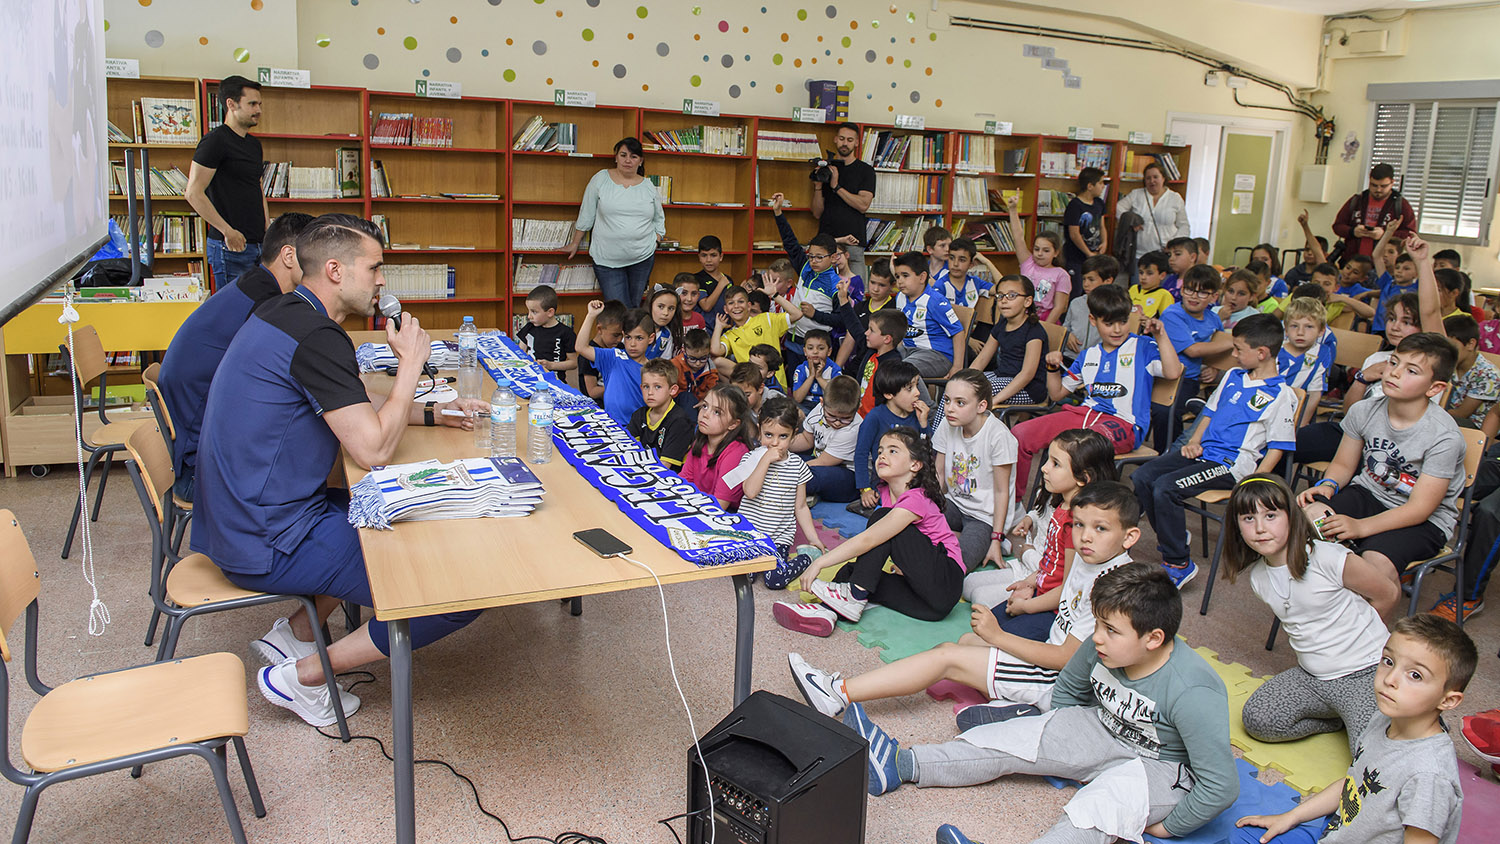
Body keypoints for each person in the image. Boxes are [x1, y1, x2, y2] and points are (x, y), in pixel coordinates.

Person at [193, 214, 486, 727]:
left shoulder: (287, 314)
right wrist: (412, 367)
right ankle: (303, 677)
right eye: (373, 268)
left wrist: (434, 412)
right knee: (458, 586)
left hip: (240, 516)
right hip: (266, 536)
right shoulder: (317, 336)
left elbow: (351, 398)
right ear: (334, 270)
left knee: (386, 516)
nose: (381, 281)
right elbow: (373, 448)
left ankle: (298, 631)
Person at [849, 563, 1239, 844]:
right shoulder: (1101, 647)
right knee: (1015, 738)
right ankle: (900, 765)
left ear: (1153, 639)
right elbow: (1069, 685)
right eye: (1098, 625)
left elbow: (1219, 786)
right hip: (1104, 727)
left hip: (1163, 764)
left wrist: (1171, 827)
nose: (1096, 638)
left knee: (1101, 804)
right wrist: (1055, 732)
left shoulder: (1194, 691)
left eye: (1111, 631)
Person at [789, 480, 1140, 715]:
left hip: (1063, 684)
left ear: (1130, 537)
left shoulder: (1112, 587)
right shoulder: (1091, 559)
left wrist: (998, 637)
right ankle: (1007, 701)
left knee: (948, 656)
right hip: (1055, 656)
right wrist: (1031, 585)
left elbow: (1066, 659)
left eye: (1100, 529)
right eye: (1078, 525)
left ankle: (838, 692)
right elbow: (1066, 597)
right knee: (966, 638)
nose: (1085, 537)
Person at [1233, 614, 1472, 844]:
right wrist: (1290, 817)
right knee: (1244, 834)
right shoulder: (1384, 718)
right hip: (1336, 831)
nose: (1390, 679)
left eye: (1415, 675)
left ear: (1448, 701)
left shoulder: (1428, 777)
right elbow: (1354, 783)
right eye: (1388, 662)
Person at [1220, 474, 1396, 754]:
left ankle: (1368, 718)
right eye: (1248, 519)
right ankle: (1336, 722)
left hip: (1364, 673)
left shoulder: (1328, 557)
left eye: (1271, 515)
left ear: (1291, 516)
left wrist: (1362, 643)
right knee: (1258, 720)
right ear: (1237, 526)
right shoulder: (1258, 578)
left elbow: (1387, 593)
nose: (1260, 528)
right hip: (1313, 677)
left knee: (1371, 757)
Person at [1134, 314, 1298, 588]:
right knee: (1142, 476)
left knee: (1165, 487)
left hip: (1230, 465)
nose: (1233, 355)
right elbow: (1209, 412)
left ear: (1262, 353)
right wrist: (1194, 440)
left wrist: (1252, 483)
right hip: (1203, 453)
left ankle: (1178, 562)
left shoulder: (1281, 395)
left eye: (1239, 350)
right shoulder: (1233, 376)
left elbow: (1278, 448)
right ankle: (1171, 532)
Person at [159, 211, 312, 503]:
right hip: (200, 474)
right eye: (316, 252)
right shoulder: (267, 307)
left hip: (191, 451)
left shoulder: (254, 285)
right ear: (289, 256)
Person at [1298, 332, 1466, 589]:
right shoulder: (1363, 410)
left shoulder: (1444, 437)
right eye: (1394, 362)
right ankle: (1315, 605)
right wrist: (1328, 485)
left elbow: (1420, 509)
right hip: (1369, 494)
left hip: (1423, 520)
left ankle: (1362, 624)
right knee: (1307, 519)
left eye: (1411, 370)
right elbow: (1343, 465)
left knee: (1374, 566)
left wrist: (1360, 528)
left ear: (1435, 388)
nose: (1395, 373)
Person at [776, 428, 965, 629]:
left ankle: (855, 595)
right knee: (851, 572)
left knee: (881, 521)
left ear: (915, 464)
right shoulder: (885, 496)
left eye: (893, 451)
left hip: (945, 584)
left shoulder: (917, 498)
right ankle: (825, 613)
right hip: (925, 604)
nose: (882, 455)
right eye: (881, 450)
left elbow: (869, 540)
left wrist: (819, 563)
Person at [1011, 284, 1184, 501]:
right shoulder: (1088, 355)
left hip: (1124, 423)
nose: (1118, 329)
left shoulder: (1143, 347)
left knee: (1081, 448)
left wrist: (1161, 335)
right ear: (1094, 320)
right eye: (1109, 323)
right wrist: (1052, 368)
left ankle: (1070, 507)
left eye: (1122, 322)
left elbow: (1173, 371)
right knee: (1021, 433)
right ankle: (1016, 503)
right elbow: (1056, 394)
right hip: (1084, 415)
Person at [969, 430, 1119, 643]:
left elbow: (1068, 589)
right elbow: (1052, 564)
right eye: (1048, 460)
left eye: (1056, 464)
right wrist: (1029, 582)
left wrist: (1027, 606)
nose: (1043, 468)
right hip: (1041, 591)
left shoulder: (1077, 523)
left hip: (1054, 612)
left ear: (1083, 478)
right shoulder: (1061, 505)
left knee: (982, 641)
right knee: (981, 628)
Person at [187, 75, 270, 287]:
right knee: (234, 314)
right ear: (231, 104)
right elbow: (193, 193)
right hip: (231, 247)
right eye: (252, 104)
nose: (258, 109)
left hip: (258, 244)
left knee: (258, 311)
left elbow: (257, 187)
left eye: (259, 104)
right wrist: (227, 231)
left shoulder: (254, 145)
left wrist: (267, 228)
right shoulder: (215, 141)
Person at [730, 398, 824, 582]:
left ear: (793, 435)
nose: (774, 443)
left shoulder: (797, 465)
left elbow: (802, 507)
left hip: (779, 537)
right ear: (759, 431)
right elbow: (750, 492)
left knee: (774, 579)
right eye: (769, 435)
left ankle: (807, 558)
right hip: (750, 534)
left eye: (783, 437)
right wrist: (765, 460)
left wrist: (814, 539)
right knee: (744, 576)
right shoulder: (751, 458)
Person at [932, 371, 1018, 570]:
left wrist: (996, 539)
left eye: (960, 403)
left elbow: (1001, 492)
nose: (949, 409)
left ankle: (969, 540)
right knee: (910, 525)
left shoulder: (998, 436)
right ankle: (951, 536)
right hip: (954, 503)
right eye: (947, 400)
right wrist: (929, 511)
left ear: (981, 406)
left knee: (955, 566)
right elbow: (939, 473)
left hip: (983, 518)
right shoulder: (948, 424)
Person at [565, 137, 665, 306]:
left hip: (642, 257)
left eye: (633, 156)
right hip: (607, 260)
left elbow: (658, 218)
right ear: (616, 157)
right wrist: (575, 243)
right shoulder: (601, 179)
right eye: (623, 155)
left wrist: (656, 240)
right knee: (619, 311)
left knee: (634, 309)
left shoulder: (648, 185)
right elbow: (586, 214)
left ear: (640, 161)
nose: (628, 160)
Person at [1154, 264, 1230, 451]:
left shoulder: (1214, 319)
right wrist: (1233, 341)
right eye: (1189, 290)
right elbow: (1192, 350)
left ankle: (1181, 449)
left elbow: (1218, 351)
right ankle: (1167, 452)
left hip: (1190, 379)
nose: (1194, 296)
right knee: (1166, 410)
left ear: (1214, 296)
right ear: (1182, 289)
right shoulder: (1172, 314)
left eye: (1203, 293)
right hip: (1166, 376)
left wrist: (1215, 367)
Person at [854, 361, 930, 510]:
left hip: (913, 479)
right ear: (889, 394)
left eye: (917, 386)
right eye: (910, 388)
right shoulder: (875, 417)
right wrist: (865, 489)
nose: (917, 393)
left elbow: (925, 451)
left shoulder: (917, 416)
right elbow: (861, 454)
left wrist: (924, 425)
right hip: (884, 482)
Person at [966, 275, 1048, 408]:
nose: (1003, 301)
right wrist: (965, 378)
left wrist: (996, 399)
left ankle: (968, 429)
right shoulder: (1002, 323)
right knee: (958, 385)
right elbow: (982, 359)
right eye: (1000, 296)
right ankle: (937, 429)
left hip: (1029, 389)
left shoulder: (1034, 332)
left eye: (1011, 296)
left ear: (1027, 301)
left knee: (975, 391)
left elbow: (1027, 374)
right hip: (1002, 377)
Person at [811, 121, 876, 281]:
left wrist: (836, 186)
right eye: (841, 138)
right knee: (823, 294)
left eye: (849, 139)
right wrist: (818, 187)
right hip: (827, 244)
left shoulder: (865, 171)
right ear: (835, 139)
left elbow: (863, 205)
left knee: (855, 294)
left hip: (853, 244)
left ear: (856, 143)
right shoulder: (826, 169)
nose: (845, 143)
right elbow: (817, 213)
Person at [574, 302, 653, 428]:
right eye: (628, 337)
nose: (632, 344)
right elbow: (580, 347)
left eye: (639, 338)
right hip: (610, 425)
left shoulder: (652, 369)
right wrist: (591, 315)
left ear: (651, 338)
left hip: (637, 429)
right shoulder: (613, 356)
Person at [891, 251, 967, 380]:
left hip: (937, 355)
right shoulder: (900, 297)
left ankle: (926, 401)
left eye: (905, 275)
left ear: (922, 277)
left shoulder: (935, 301)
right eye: (897, 277)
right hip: (909, 350)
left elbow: (958, 332)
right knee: (879, 361)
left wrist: (957, 367)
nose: (900, 281)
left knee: (904, 372)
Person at [679, 383, 756, 509]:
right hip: (698, 505)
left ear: (733, 424)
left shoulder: (736, 453)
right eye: (704, 406)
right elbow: (683, 482)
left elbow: (720, 505)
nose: (705, 414)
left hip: (725, 515)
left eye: (716, 412)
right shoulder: (700, 441)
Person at [793, 374, 863, 505]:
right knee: (787, 459)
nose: (837, 423)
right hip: (820, 463)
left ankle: (798, 493)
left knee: (807, 474)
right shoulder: (820, 409)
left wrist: (788, 471)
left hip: (848, 477)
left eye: (845, 418)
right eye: (831, 416)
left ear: (858, 407)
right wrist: (781, 445)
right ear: (821, 402)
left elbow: (823, 462)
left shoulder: (854, 429)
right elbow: (806, 440)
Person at [710, 286, 805, 375]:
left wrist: (775, 295)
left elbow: (797, 314)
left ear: (749, 305)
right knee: (715, 361)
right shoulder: (729, 335)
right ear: (726, 309)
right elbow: (715, 351)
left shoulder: (766, 319)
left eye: (741, 301)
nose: (736, 306)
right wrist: (718, 326)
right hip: (750, 383)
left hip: (775, 383)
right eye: (731, 303)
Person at [1331, 162, 1416, 259]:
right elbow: (1337, 226)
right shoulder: (1357, 200)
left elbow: (1410, 234)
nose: (1378, 190)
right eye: (1374, 185)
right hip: (1353, 258)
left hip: (1382, 262)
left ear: (1392, 182)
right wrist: (1352, 231)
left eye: (1383, 186)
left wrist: (1385, 234)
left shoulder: (1401, 205)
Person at [1005, 201, 1071, 324]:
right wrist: (1013, 210)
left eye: (1046, 250)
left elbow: (1059, 307)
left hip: (1045, 319)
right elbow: (1018, 237)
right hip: (1020, 315)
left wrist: (1044, 328)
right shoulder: (1028, 263)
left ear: (1056, 253)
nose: (1040, 254)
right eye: (1036, 249)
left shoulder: (1061, 274)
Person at [1116, 161, 1190, 266]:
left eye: (1156, 177)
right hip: (1139, 255)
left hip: (1165, 255)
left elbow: (1184, 225)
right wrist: (1130, 221)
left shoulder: (1175, 198)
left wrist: (1174, 245)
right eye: (1148, 178)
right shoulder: (1136, 194)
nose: (1152, 181)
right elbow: (1119, 208)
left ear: (1163, 178)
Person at [627, 358, 694, 470]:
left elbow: (664, 467)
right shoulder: (639, 415)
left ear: (672, 390)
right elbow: (629, 448)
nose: (650, 393)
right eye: (646, 386)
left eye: (657, 387)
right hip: (643, 469)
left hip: (668, 478)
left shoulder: (679, 422)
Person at [1279, 296, 1334, 426]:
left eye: (1309, 326)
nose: (1300, 332)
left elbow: (1314, 393)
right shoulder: (1275, 350)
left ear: (1321, 331)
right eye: (1294, 326)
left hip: (1293, 412)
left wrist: (1301, 424)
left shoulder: (1322, 353)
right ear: (1286, 329)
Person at [832, 257, 897, 368]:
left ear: (892, 285)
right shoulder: (859, 308)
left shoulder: (895, 308)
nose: (875, 289)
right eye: (872, 282)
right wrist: (836, 370)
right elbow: (848, 341)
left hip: (882, 366)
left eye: (882, 285)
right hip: (860, 363)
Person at [516, 284, 577, 385]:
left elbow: (573, 363)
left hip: (555, 381)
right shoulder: (529, 327)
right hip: (531, 378)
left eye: (534, 312)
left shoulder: (566, 333)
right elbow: (520, 353)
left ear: (550, 312)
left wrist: (551, 365)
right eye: (528, 311)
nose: (529, 316)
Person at [1063, 255, 1118, 356]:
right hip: (1071, 358)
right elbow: (1065, 327)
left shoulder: (1115, 306)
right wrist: (1067, 336)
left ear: (1108, 281)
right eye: (1084, 279)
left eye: (1091, 280)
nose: (1085, 284)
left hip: (1098, 360)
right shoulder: (1076, 303)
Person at [1063, 167, 1109, 282]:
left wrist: (1104, 242)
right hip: (1076, 258)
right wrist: (1088, 253)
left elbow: (1102, 226)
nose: (1103, 186)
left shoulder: (1099, 203)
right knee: (1077, 289)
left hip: (1095, 257)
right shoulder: (1075, 205)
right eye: (1100, 183)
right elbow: (1074, 234)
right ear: (1090, 186)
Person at [858, 309, 907, 416]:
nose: (866, 333)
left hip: (875, 419)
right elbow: (854, 328)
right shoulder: (871, 352)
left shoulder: (893, 364)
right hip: (858, 416)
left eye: (871, 330)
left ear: (887, 339)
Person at [1370, 224, 1418, 332]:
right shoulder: (1387, 283)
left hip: (1404, 333)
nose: (1400, 271)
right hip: (1380, 331)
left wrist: (1415, 249)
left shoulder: (1417, 288)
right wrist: (1388, 232)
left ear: (1416, 274)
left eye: (1406, 269)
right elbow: (1376, 256)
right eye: (1398, 268)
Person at [578, 301, 625, 402]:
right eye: (616, 335)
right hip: (596, 406)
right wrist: (621, 385)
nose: (619, 339)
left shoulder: (621, 347)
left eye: (623, 335)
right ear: (600, 329)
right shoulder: (588, 355)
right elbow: (592, 392)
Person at [791, 328, 841, 412]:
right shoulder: (801, 369)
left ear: (829, 351)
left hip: (827, 405)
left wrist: (819, 377)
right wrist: (811, 376)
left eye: (821, 348)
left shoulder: (834, 369)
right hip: (805, 405)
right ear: (805, 351)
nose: (815, 352)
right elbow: (797, 398)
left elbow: (836, 397)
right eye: (810, 348)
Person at [670, 327, 719, 408]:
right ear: (684, 351)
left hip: (701, 405)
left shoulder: (711, 370)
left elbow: (713, 391)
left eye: (703, 358)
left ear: (709, 351)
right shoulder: (675, 365)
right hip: (677, 403)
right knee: (687, 397)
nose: (698, 363)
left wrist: (705, 402)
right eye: (692, 359)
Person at [692, 235, 732, 319]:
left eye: (713, 255)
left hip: (725, 328)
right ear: (699, 257)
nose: (708, 260)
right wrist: (721, 285)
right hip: (706, 329)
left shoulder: (728, 280)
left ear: (721, 257)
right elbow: (706, 306)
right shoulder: (696, 279)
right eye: (704, 255)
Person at [1130, 251, 1175, 319]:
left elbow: (1168, 321)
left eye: (1149, 273)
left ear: (1162, 275)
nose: (1143, 277)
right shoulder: (1133, 289)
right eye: (1141, 272)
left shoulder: (1164, 295)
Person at [643, 286, 682, 359]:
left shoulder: (667, 334)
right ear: (650, 305)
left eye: (671, 308)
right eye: (660, 306)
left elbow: (665, 362)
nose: (666, 313)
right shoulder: (635, 327)